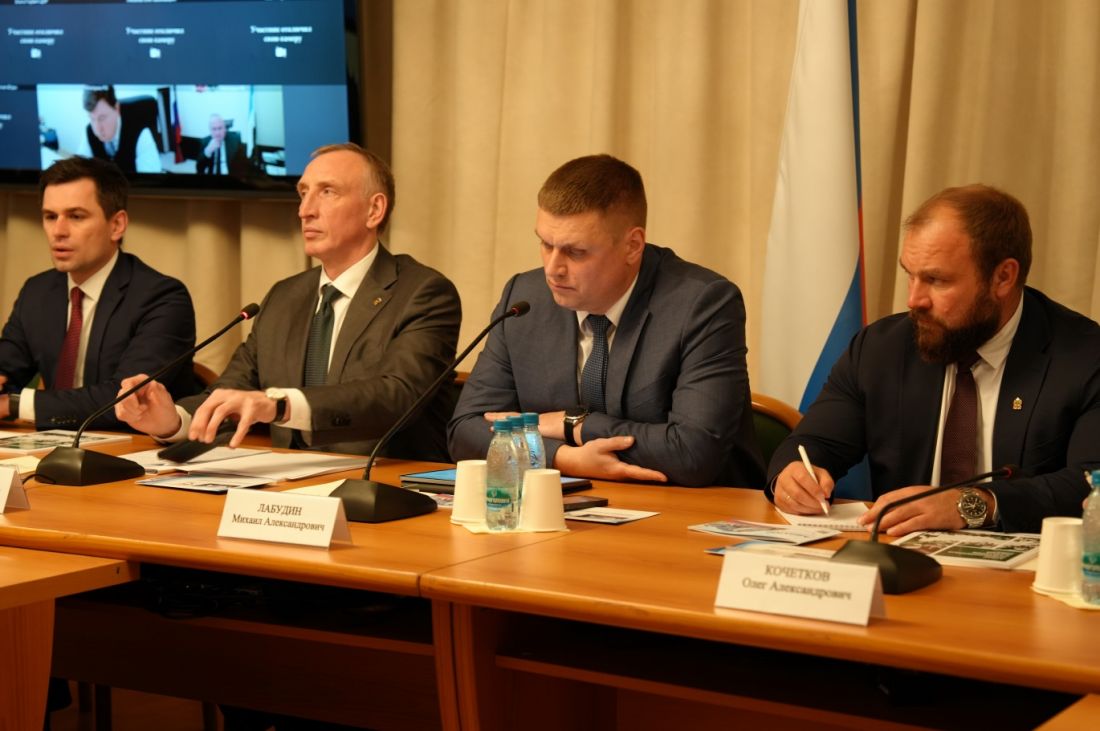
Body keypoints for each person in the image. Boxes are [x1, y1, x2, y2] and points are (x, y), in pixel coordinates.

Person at [769, 184, 1100, 535]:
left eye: (936, 280)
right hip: (900, 558)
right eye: (910, 275)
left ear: (1003, 277)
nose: (914, 300)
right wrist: (793, 477)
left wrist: (972, 504)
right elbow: (813, 444)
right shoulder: (881, 348)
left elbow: (1091, 483)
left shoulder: (1084, 357)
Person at [115, 143, 461, 461]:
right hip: (288, 488)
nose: (305, 210)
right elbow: (233, 389)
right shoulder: (285, 296)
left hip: (382, 483)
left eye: (327, 192)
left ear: (374, 210)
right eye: (303, 193)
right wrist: (172, 420)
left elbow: (396, 395)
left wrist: (279, 405)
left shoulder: (422, 293)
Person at [448, 154, 765, 487]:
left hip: (690, 507)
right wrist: (563, 457)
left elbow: (693, 452)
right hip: (566, 504)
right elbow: (466, 431)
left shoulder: (702, 304)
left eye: (576, 252)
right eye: (545, 244)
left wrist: (574, 424)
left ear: (632, 246)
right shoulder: (525, 298)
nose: (553, 269)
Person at [0, 156, 197, 430]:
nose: (58, 231)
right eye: (50, 217)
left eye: (76, 216)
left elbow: (125, 399)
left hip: (137, 446)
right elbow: (7, 367)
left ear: (117, 225)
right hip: (53, 445)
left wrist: (14, 404)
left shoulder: (162, 298)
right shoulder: (37, 292)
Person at [77, 85, 163, 174]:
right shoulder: (89, 132)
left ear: (117, 109)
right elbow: (79, 174)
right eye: (92, 119)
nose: (97, 129)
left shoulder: (140, 131)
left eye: (102, 118)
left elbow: (150, 178)